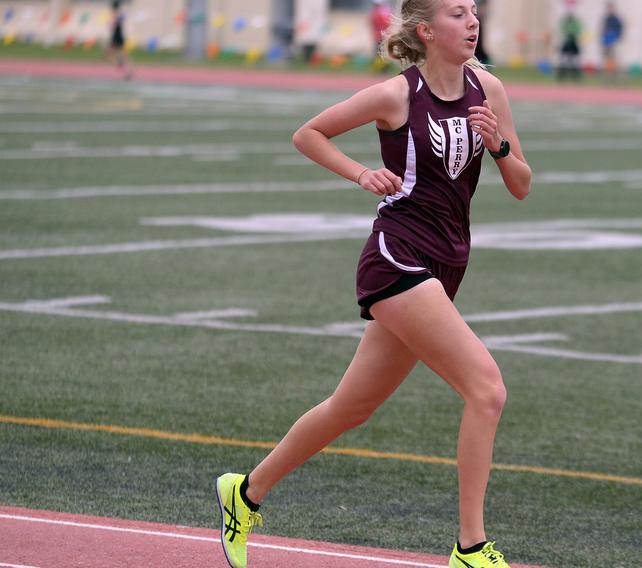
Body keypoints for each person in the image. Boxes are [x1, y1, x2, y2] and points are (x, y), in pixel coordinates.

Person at [215, 1, 532, 567]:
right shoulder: (397, 95)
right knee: (487, 389)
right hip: (397, 256)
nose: (473, 20)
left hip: (448, 261)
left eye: (475, 11)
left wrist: (499, 146)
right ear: (428, 30)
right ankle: (471, 547)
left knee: (350, 407)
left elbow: (522, 185)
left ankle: (244, 492)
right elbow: (308, 134)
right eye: (458, 13)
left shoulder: (489, 89)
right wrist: (361, 173)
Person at [106, 0, 132, 80]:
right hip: (118, 36)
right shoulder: (118, 14)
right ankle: (124, 68)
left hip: (117, 37)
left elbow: (114, 24)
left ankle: (126, 70)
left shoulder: (116, 14)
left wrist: (111, 23)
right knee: (118, 55)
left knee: (117, 54)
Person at [556, 7, 582, 82]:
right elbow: (562, 30)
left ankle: (575, 75)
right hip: (566, 41)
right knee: (564, 58)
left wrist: (571, 32)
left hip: (573, 41)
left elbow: (578, 30)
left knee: (574, 59)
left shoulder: (575, 22)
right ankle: (562, 75)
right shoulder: (565, 22)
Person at [600, 2, 623, 80]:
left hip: (613, 41)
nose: (609, 10)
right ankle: (607, 75)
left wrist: (616, 37)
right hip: (606, 41)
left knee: (614, 58)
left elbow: (620, 30)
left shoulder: (616, 19)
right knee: (606, 59)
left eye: (611, 8)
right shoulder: (606, 19)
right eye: (608, 8)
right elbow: (603, 30)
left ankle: (615, 75)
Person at [369, 0, 393, 72]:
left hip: (381, 36)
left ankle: (382, 68)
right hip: (380, 36)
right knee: (380, 53)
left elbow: (385, 23)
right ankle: (381, 68)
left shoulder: (378, 13)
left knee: (380, 53)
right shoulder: (383, 12)